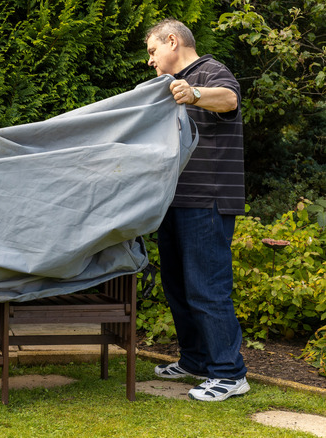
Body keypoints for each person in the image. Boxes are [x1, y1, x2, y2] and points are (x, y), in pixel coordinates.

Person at [144, 19, 249, 401]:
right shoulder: (166, 85)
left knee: (208, 289)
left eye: (154, 51)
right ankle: (194, 360)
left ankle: (229, 374)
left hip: (207, 200)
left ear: (173, 41)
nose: (151, 61)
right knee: (178, 287)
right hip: (174, 201)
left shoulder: (209, 71)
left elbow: (229, 100)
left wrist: (194, 93)